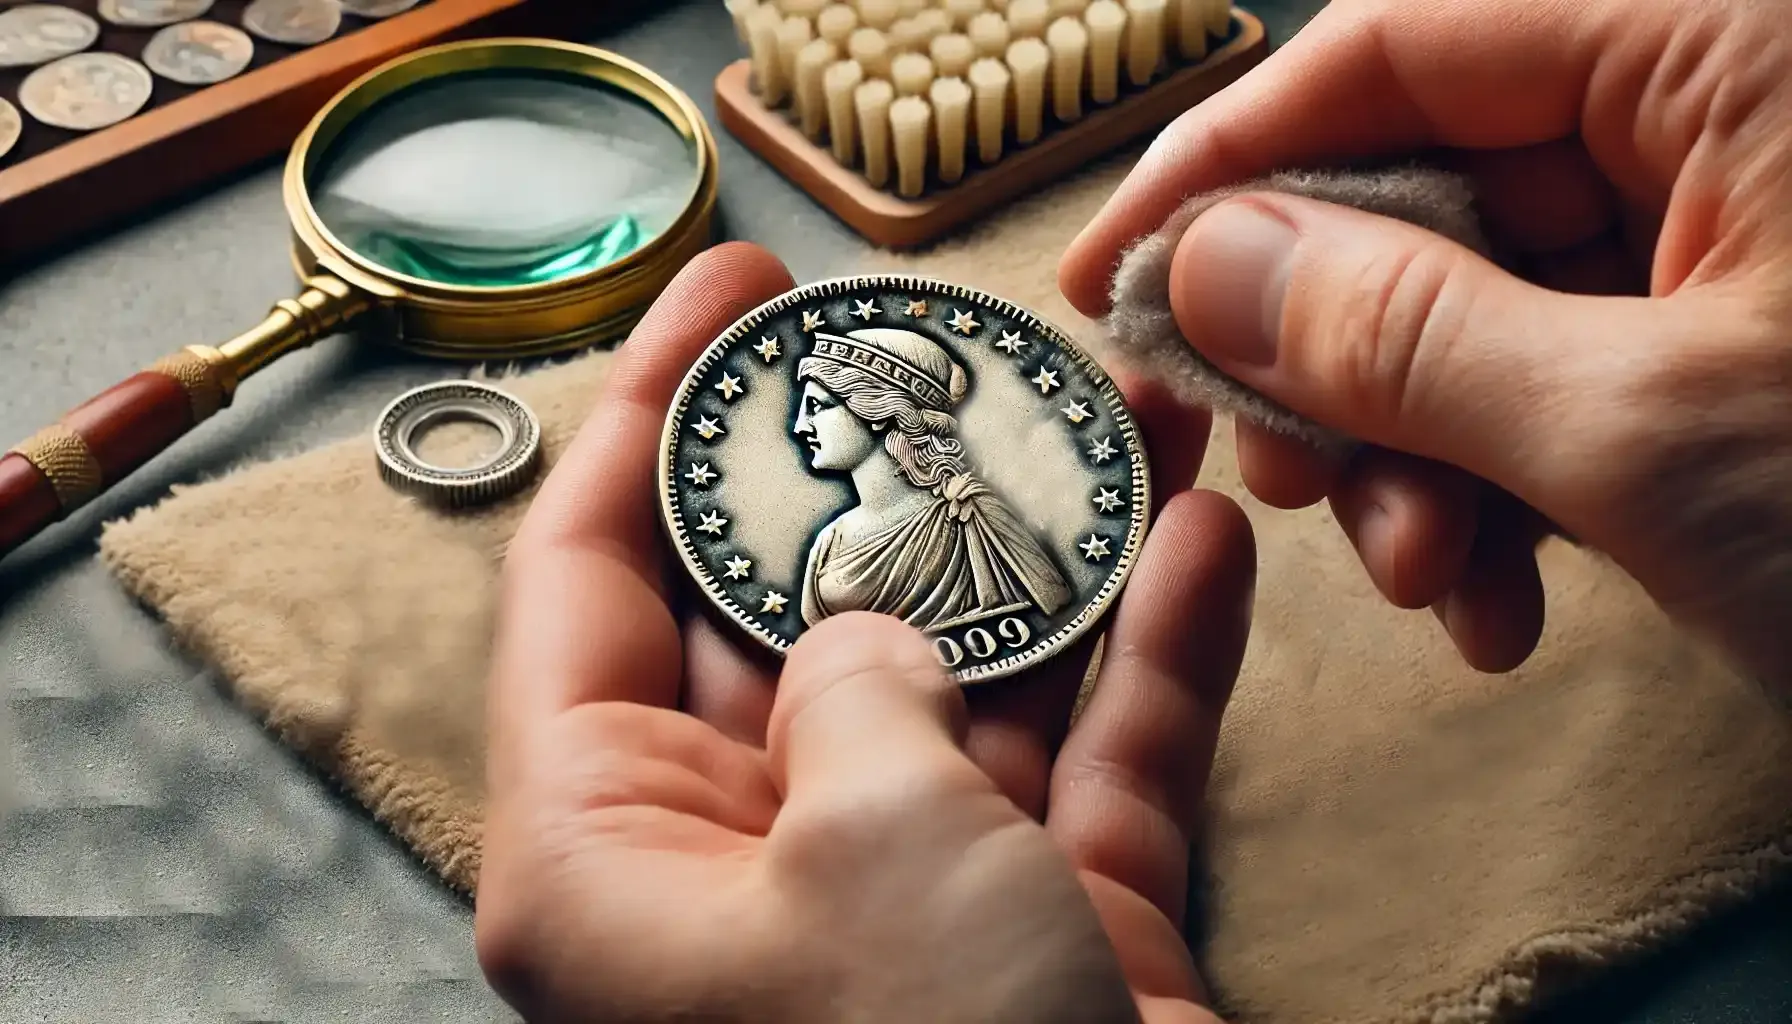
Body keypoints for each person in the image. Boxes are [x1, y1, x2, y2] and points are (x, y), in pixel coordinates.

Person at [474, 0, 1792, 1019]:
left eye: (824, 401)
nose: (802, 423)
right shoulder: (994, 534)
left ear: (882, 416)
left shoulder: (858, 562)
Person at [792, 326, 1072, 631]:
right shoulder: (830, 540)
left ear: (878, 410)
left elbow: (1055, 605)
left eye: (817, 407)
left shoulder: (970, 513)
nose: (800, 427)